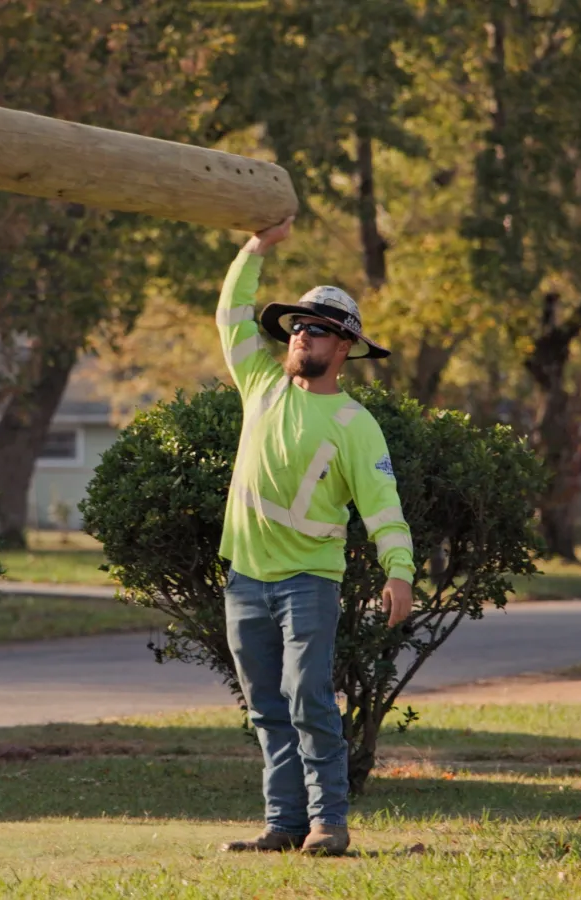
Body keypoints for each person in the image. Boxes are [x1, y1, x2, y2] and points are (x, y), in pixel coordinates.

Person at [217, 216, 415, 856]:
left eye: (320, 329)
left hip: (309, 580)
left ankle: (329, 823)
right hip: (244, 577)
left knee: (308, 700)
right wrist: (256, 247)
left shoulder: (356, 425)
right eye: (299, 325)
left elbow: (383, 505)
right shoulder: (260, 386)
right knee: (267, 710)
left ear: (346, 347)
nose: (304, 334)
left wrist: (399, 571)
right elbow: (229, 315)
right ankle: (284, 825)